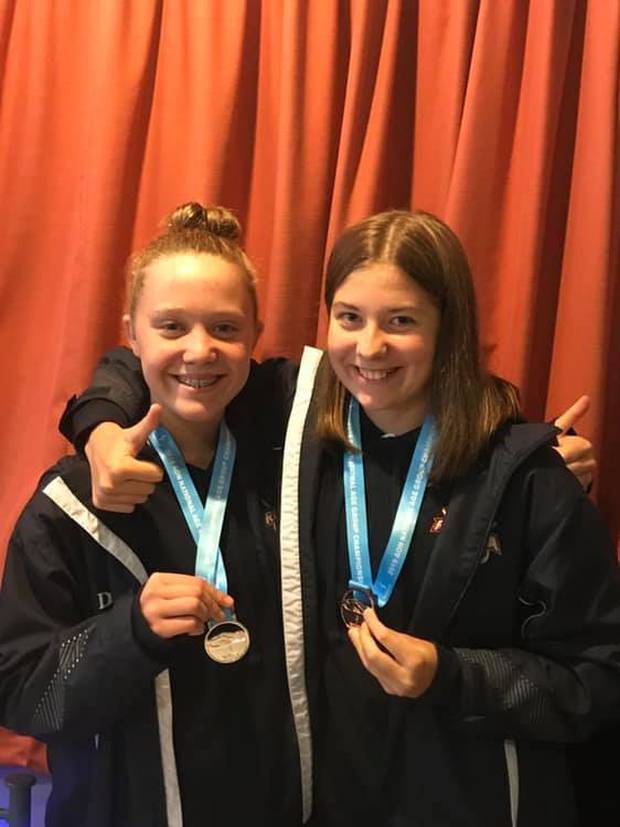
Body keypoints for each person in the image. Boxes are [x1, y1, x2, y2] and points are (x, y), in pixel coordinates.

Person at [58, 209, 619, 826]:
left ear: (447, 329)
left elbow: (593, 681)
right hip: (326, 801)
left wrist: (453, 675)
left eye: (400, 321)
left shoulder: (525, 477)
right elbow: (160, 357)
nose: (369, 346)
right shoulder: (295, 419)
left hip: (468, 801)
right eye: (349, 318)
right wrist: (101, 425)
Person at [0, 204, 302, 826]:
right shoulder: (71, 502)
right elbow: (24, 693)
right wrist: (130, 632)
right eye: (171, 327)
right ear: (131, 335)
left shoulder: (291, 469)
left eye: (225, 327)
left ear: (255, 337)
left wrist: (532, 450)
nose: (200, 350)